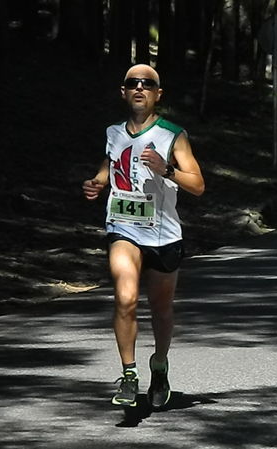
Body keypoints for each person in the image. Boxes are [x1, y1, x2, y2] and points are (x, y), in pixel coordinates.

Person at [82, 64, 205, 408]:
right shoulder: (113, 132)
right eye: (133, 83)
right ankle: (129, 374)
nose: (140, 88)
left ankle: (160, 365)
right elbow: (112, 162)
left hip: (164, 236)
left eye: (147, 84)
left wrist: (165, 169)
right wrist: (98, 182)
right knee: (125, 297)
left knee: (161, 310)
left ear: (158, 94)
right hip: (123, 228)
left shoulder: (172, 135)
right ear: (123, 92)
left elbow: (198, 185)